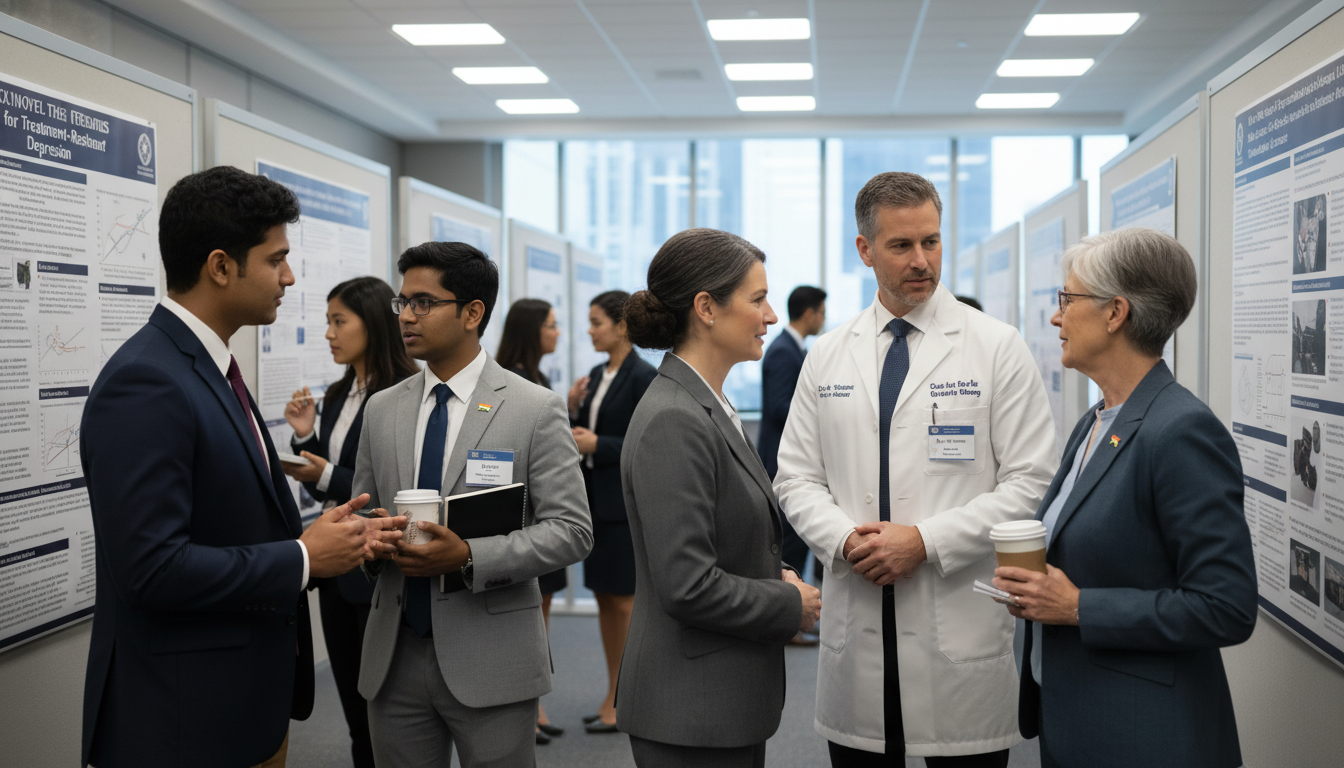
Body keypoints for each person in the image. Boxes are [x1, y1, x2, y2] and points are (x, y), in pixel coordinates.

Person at [80, 167, 400, 768]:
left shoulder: (209, 367)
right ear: (221, 266)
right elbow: (151, 568)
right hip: (186, 720)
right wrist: (304, 557)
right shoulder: (148, 382)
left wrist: (340, 543)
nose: (289, 276)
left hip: (242, 701)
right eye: (276, 258)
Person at [774, 172, 1058, 767]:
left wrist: (925, 542)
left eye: (931, 242)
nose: (921, 261)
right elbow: (795, 477)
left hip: (956, 619)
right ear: (864, 249)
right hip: (858, 616)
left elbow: (1032, 481)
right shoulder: (828, 354)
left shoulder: (996, 346)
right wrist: (847, 539)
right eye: (901, 246)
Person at [992, 228, 1257, 768]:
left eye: (1067, 300)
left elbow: (1226, 608)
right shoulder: (1096, 421)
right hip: (1077, 717)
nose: (1055, 317)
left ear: (1115, 313)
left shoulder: (1180, 431)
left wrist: (1078, 607)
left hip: (1145, 734)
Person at [353, 242, 593, 768]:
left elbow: (573, 530)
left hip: (492, 653)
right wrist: (371, 540)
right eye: (402, 302)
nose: (406, 317)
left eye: (422, 302)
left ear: (472, 313)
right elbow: (364, 509)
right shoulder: (382, 409)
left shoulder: (533, 408)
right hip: (394, 653)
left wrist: (467, 556)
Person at [617, 228, 822, 768]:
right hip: (691, 710)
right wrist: (788, 603)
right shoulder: (674, 418)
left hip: (713, 700)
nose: (772, 316)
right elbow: (687, 585)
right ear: (706, 308)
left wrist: (772, 573)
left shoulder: (704, 404)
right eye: (757, 300)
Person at [281, 276, 419, 768]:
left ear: (373, 323)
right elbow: (330, 482)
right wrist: (304, 443)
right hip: (334, 569)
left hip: (378, 565)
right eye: (327, 322)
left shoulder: (406, 394)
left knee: (387, 710)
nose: (329, 334)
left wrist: (327, 473)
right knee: (353, 709)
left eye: (339, 321)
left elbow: (389, 488)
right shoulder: (339, 393)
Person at [565, 290, 658, 733]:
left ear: (622, 326)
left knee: (624, 605)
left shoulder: (644, 376)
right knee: (604, 601)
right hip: (594, 504)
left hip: (622, 506)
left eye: (597, 321)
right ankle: (612, 694)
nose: (590, 330)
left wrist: (597, 444)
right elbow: (583, 433)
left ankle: (624, 701)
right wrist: (571, 414)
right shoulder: (596, 374)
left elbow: (649, 444)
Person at [494, 296, 567, 742]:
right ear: (531, 330)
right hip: (527, 527)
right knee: (529, 621)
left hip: (543, 524)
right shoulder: (517, 382)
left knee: (539, 620)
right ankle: (528, 710)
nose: (557, 332)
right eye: (551, 325)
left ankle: (533, 709)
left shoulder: (535, 379)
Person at [758, 285, 828, 642]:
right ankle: (789, 619)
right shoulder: (784, 352)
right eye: (822, 311)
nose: (824, 318)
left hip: (785, 456)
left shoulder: (791, 349)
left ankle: (794, 616)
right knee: (789, 542)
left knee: (796, 541)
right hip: (779, 460)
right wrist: (820, 414)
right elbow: (778, 407)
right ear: (810, 313)